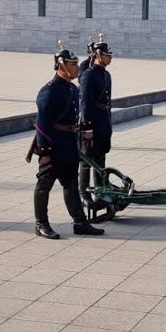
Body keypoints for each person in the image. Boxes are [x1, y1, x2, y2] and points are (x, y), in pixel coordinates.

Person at [31, 44, 105, 239]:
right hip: (54, 145)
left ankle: (80, 222)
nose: (77, 68)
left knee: (71, 185)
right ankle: (41, 224)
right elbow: (42, 124)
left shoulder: (72, 89)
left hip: (69, 145)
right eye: (73, 64)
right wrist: (44, 151)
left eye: (76, 64)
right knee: (44, 186)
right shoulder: (49, 91)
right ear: (61, 65)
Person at [78, 39, 114, 203]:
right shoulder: (88, 75)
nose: (110, 58)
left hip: (103, 122)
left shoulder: (106, 75)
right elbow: (85, 103)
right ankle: (84, 193)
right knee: (87, 160)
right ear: (98, 55)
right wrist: (87, 128)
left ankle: (100, 193)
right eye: (107, 55)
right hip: (92, 123)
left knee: (100, 159)